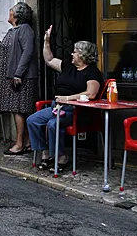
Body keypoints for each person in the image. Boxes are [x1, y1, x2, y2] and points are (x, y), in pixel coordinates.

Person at [27, 26, 104, 171]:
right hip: (57, 106)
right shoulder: (68, 66)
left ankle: (61, 157)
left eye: (75, 52)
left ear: (83, 55)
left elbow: (91, 94)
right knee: (33, 120)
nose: (72, 54)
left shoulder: (92, 72)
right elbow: (49, 59)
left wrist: (67, 98)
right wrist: (46, 41)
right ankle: (45, 154)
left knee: (53, 124)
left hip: (76, 110)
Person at [0, 2, 39, 156]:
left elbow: (27, 52)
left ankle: (19, 144)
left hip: (22, 78)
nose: (9, 11)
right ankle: (26, 142)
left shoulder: (25, 29)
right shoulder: (16, 29)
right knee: (17, 110)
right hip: (14, 77)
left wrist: (18, 73)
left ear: (18, 15)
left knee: (19, 110)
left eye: (12, 10)